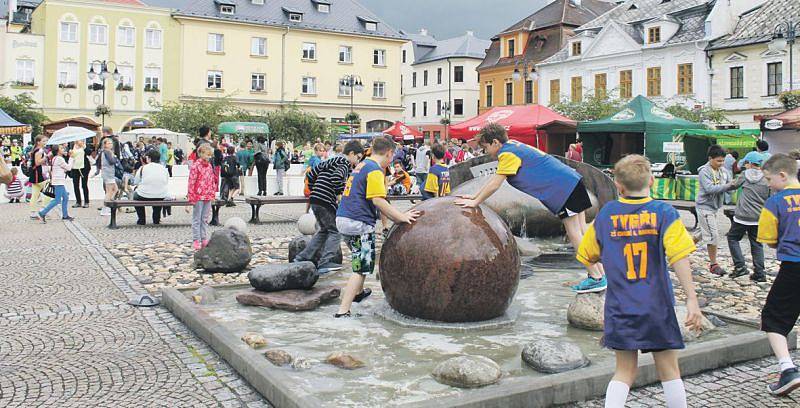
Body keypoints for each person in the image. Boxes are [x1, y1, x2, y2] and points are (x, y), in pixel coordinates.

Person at [577, 154, 702, 408]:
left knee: (624, 371)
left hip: (621, 305)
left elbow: (586, 254)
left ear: (619, 186)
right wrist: (691, 299)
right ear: (653, 181)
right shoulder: (664, 212)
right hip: (657, 304)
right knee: (669, 369)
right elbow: (679, 257)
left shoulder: (607, 214)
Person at [454, 123, 606, 293]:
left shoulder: (507, 154)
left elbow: (495, 184)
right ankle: (600, 274)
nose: (485, 152)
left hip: (564, 189)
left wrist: (475, 202)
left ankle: (596, 277)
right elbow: (492, 182)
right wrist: (474, 197)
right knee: (582, 233)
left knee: (575, 234)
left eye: (485, 147)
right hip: (573, 182)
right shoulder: (515, 145)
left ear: (495, 142)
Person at [334, 137, 420, 318]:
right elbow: (379, 201)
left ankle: (357, 294)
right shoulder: (374, 170)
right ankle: (343, 311)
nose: (392, 160)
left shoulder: (362, 165)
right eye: (392, 156)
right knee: (360, 268)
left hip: (343, 219)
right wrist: (401, 217)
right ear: (389, 153)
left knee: (364, 262)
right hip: (358, 223)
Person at [756, 154, 800, 396]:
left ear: (782, 175)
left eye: (769, 179)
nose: (769, 184)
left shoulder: (775, 203)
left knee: (773, 318)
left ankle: (788, 370)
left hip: (794, 267)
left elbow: (769, 240)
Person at [296, 141, 365, 274]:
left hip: (315, 199)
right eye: (358, 157)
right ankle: (325, 262)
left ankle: (302, 257)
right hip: (325, 200)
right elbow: (336, 178)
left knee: (323, 230)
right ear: (351, 154)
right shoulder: (344, 163)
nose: (357, 162)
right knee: (336, 231)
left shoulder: (330, 160)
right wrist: (339, 200)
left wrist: (314, 189)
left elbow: (310, 174)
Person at [727, 152, 770, 281]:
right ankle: (760, 273)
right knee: (757, 244)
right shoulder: (767, 178)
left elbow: (733, 185)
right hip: (758, 217)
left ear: (750, 163)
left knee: (732, 238)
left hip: (742, 216)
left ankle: (740, 267)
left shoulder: (745, 175)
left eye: (746, 163)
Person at [695, 144, 736, 276]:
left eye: (723, 160)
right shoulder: (704, 171)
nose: (721, 163)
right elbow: (709, 189)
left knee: (699, 234)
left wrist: (733, 185)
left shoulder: (724, 171)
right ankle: (713, 265)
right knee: (713, 236)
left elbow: (731, 186)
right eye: (718, 161)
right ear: (710, 158)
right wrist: (729, 186)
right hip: (704, 207)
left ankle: (679, 253)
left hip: (715, 207)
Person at [188, 144, 218, 250]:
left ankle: (204, 238)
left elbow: (211, 180)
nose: (208, 157)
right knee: (197, 218)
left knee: (205, 218)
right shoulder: (195, 166)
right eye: (207, 154)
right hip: (198, 195)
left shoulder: (209, 166)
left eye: (210, 155)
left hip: (207, 195)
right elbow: (191, 181)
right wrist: (191, 196)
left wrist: (212, 193)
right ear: (200, 154)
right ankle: (196, 239)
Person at [36, 144, 74, 222]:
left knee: (65, 198)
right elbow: (69, 168)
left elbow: (62, 169)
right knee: (57, 200)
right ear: (58, 151)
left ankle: (65, 215)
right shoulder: (59, 159)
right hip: (58, 182)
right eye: (61, 148)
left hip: (58, 181)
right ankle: (42, 213)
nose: (63, 149)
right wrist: (71, 158)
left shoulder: (55, 158)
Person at [133, 149, 170, 225]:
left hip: (143, 195)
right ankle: (156, 219)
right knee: (158, 195)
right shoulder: (163, 168)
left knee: (135, 196)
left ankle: (141, 219)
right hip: (161, 195)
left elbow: (136, 182)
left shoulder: (143, 168)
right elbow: (166, 181)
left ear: (149, 158)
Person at [28, 135, 51, 218]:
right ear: (38, 142)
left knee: (35, 194)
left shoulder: (36, 150)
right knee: (49, 191)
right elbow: (37, 163)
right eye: (44, 141)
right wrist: (46, 157)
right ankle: (43, 209)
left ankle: (33, 213)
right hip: (38, 174)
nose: (45, 143)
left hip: (36, 174)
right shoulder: (39, 150)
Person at [97, 137, 120, 216]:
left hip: (109, 173)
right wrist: (115, 157)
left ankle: (109, 205)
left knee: (115, 189)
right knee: (109, 191)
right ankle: (105, 209)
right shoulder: (107, 152)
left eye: (111, 143)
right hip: (108, 173)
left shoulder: (106, 152)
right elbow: (111, 161)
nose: (111, 145)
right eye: (109, 143)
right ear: (105, 145)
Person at [70, 140, 90, 208]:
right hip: (75, 167)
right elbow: (70, 156)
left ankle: (86, 201)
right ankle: (78, 201)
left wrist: (83, 146)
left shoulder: (84, 145)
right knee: (75, 185)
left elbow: (89, 152)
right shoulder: (72, 145)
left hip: (84, 167)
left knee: (84, 185)